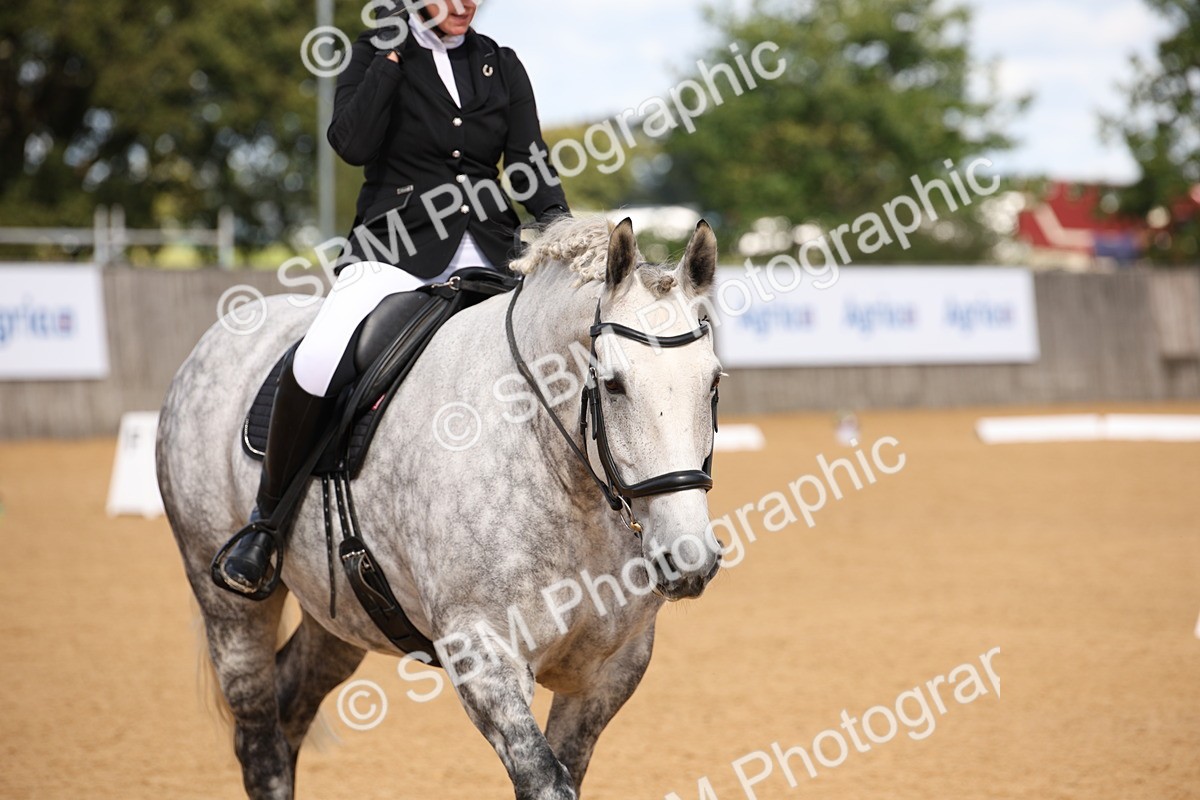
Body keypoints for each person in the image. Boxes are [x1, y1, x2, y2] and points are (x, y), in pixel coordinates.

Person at [214, 0, 570, 598]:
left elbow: (528, 159)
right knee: (320, 354)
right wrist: (391, 52)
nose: (463, 6)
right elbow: (351, 144)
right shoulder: (373, 54)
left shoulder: (500, 64)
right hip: (394, 250)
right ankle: (266, 524)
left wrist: (563, 232)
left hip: (493, 246)